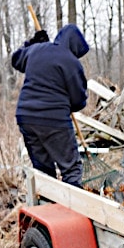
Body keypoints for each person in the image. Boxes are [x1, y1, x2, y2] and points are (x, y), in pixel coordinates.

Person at [11, 24, 90, 187]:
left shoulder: (37, 50)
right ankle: (73, 210)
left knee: (43, 171)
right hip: (54, 121)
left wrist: (33, 43)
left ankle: (47, 208)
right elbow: (78, 101)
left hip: (26, 117)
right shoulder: (71, 62)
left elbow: (16, 59)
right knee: (71, 169)